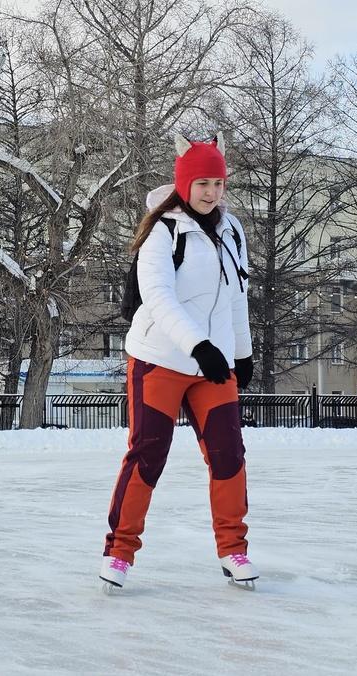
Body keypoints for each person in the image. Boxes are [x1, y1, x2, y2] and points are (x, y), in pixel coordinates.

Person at [100, 133, 257, 589]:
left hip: (214, 365)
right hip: (160, 359)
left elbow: (237, 296)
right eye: (202, 182)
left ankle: (234, 550)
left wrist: (240, 352)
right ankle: (120, 552)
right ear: (184, 183)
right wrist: (200, 347)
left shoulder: (233, 231)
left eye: (218, 182)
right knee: (149, 454)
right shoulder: (162, 232)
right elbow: (160, 299)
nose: (211, 191)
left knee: (229, 455)